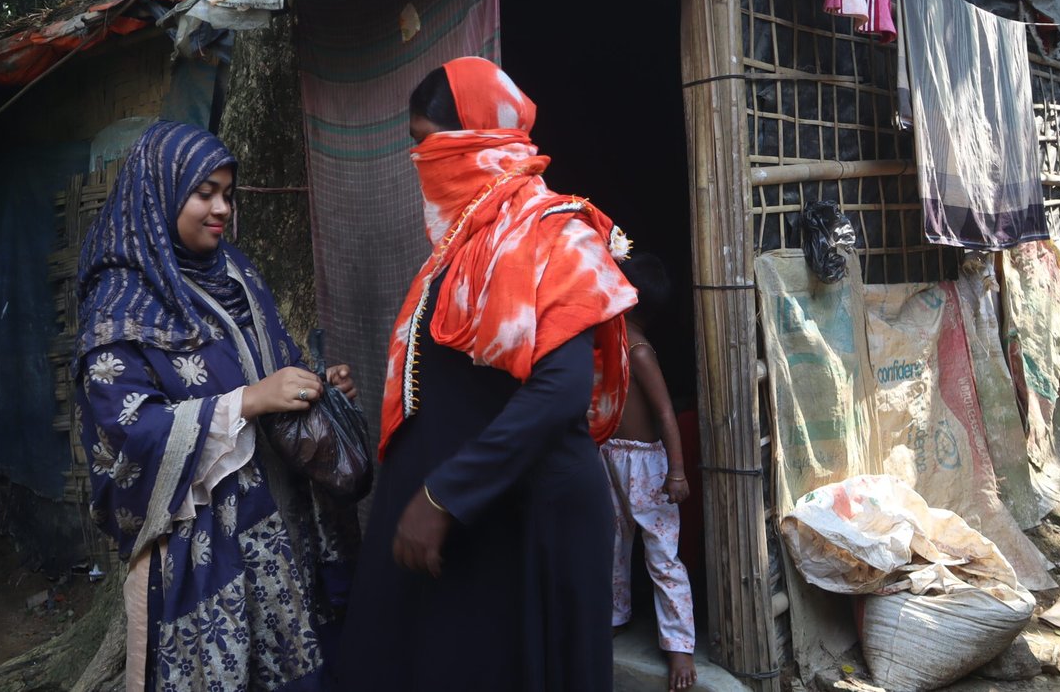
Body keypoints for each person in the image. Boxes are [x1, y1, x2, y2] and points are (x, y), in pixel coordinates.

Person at [336, 57, 638, 692]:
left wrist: (444, 495)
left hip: (540, 517)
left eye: (429, 142)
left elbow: (560, 391)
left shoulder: (555, 233)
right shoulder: (461, 247)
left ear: (478, 137)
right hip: (489, 514)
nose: (420, 160)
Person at [73, 120, 357, 692]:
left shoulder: (235, 271)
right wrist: (250, 400)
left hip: (284, 515)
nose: (222, 208)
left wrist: (314, 387)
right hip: (206, 537)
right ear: (160, 193)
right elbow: (129, 431)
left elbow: (268, 361)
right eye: (204, 193)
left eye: (227, 193)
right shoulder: (120, 304)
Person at [605, 252, 698, 690]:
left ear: (630, 296)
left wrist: (676, 472)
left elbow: (664, 414)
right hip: (609, 455)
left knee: (662, 554)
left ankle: (679, 645)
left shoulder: (639, 351)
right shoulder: (607, 338)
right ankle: (614, 616)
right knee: (612, 543)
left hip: (645, 463)